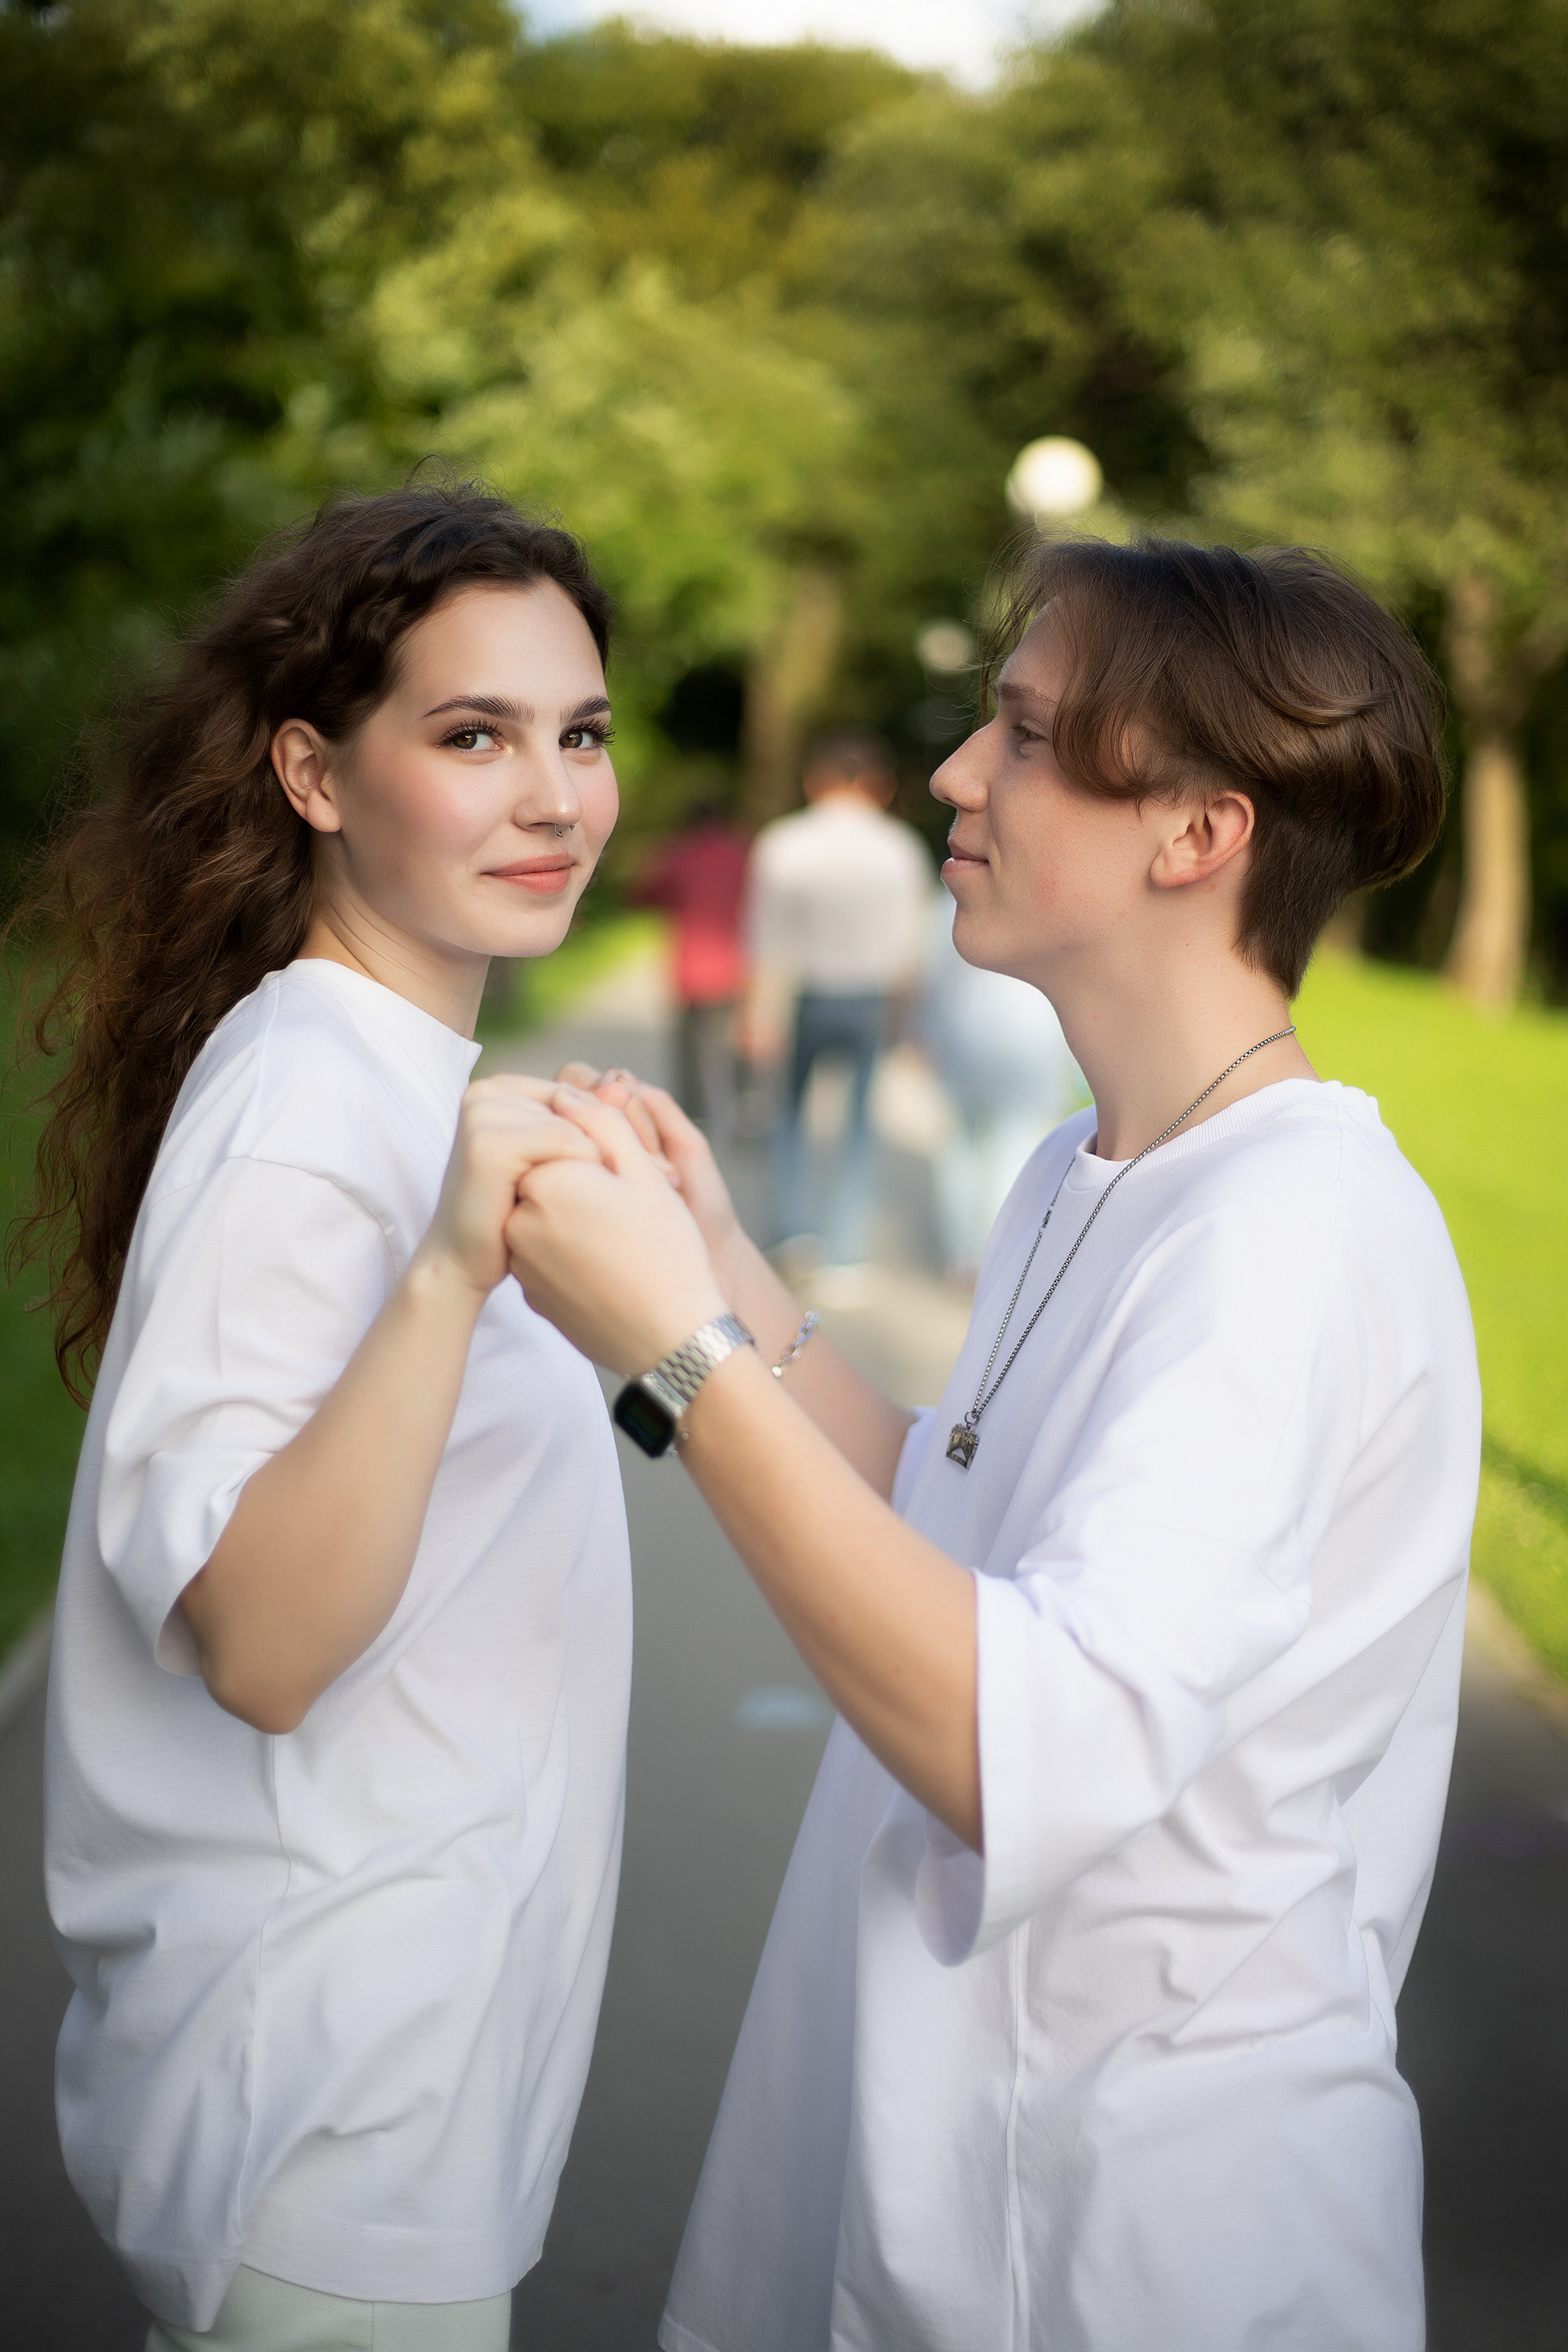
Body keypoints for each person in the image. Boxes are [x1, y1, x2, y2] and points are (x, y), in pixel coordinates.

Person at [501, 536, 1482, 2352]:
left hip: (1126, 2235)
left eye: (1025, 736)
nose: (954, 771)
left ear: (1197, 830)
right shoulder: (1087, 1161)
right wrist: (719, 1263)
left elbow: (1019, 1737)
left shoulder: (1289, 1234)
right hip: (963, 2162)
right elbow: (954, 1506)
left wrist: (672, 1352)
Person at [22, 485, 634, 2350]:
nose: (554, 798)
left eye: (580, 733)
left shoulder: (387, 1077)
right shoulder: (310, 1110)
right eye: (474, 736)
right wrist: (449, 1270)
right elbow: (264, 1640)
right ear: (313, 771)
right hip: (329, 2101)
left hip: (392, 2080)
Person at [745, 730, 932, 1264]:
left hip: (805, 997)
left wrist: (758, 1013)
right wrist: (906, 1021)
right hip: (872, 1000)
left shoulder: (784, 842)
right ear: (880, 784)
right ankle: (846, 1252)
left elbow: (767, 940)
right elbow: (910, 948)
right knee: (858, 1128)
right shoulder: (900, 848)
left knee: (788, 1118)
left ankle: (794, 1235)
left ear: (815, 781)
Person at [919, 891, 1080, 1280]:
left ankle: (962, 1254)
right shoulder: (1058, 894)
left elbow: (934, 973)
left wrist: (925, 1031)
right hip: (1032, 1032)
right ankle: (998, 1254)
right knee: (1014, 1147)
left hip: (967, 1027)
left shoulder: (954, 897)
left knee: (960, 1145)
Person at [630, 799, 751, 1136]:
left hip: (693, 972)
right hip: (739, 969)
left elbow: (644, 896)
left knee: (693, 1051)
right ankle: (745, 1110)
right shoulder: (744, 856)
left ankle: (697, 1120)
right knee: (737, 1043)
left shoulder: (680, 855)